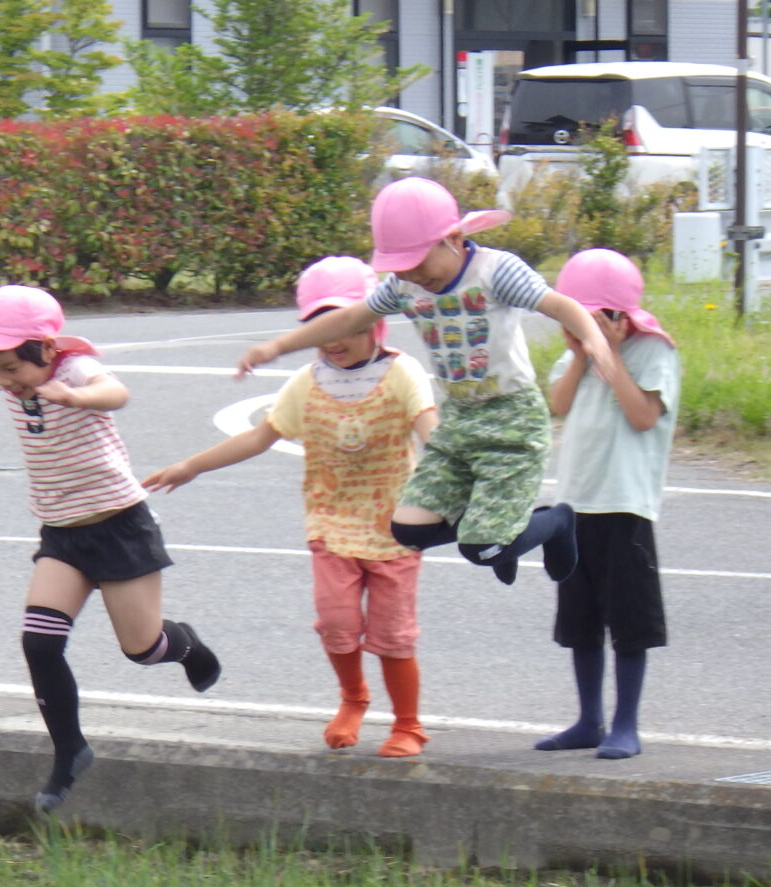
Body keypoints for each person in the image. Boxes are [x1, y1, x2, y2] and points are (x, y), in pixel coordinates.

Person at [0, 286, 220, 812]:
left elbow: (115, 391)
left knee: (142, 648)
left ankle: (187, 645)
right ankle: (69, 750)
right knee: (39, 642)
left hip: (119, 527)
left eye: (13, 369)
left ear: (47, 349)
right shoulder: (9, 376)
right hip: (62, 533)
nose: (5, 381)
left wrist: (75, 398)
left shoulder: (75, 371)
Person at [237, 177, 619, 587]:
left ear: (453, 239)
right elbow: (348, 319)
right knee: (408, 530)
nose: (413, 275)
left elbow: (559, 305)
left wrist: (593, 337)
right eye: (401, 266)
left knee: (483, 549)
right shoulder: (405, 285)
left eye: (418, 262)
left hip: (512, 419)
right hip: (459, 421)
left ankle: (556, 522)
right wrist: (277, 346)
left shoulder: (494, 271)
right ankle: (498, 528)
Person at [145, 258, 438, 758]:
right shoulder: (308, 382)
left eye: (345, 324)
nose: (334, 339)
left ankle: (407, 724)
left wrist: (455, 478)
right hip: (331, 524)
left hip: (395, 529)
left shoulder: (403, 373)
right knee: (337, 622)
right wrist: (191, 466)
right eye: (320, 327)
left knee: (393, 634)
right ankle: (353, 698)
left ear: (373, 320)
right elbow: (260, 436)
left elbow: (429, 429)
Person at [534, 248, 680, 761]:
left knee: (630, 622)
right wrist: (581, 353)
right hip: (575, 505)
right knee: (580, 622)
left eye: (594, 315)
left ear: (620, 315)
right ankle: (588, 720)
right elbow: (559, 404)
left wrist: (610, 354)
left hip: (625, 504)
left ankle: (626, 724)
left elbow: (643, 416)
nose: (583, 324)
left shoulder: (654, 351)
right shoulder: (574, 356)